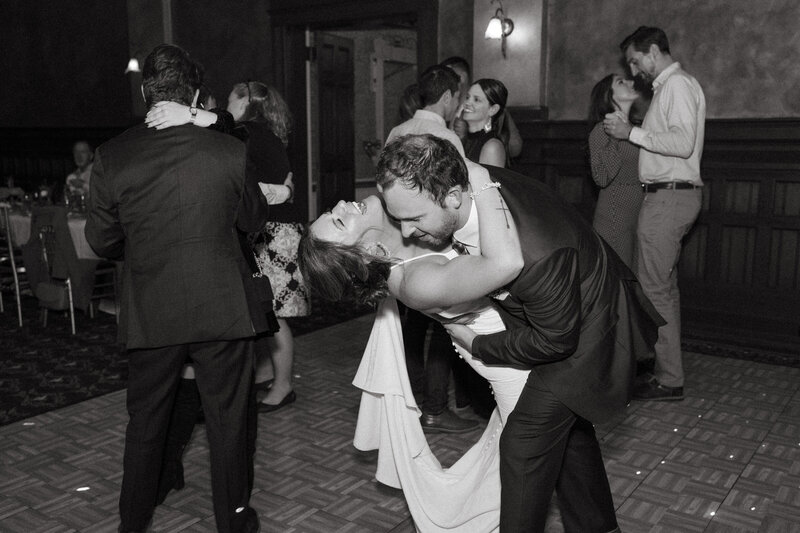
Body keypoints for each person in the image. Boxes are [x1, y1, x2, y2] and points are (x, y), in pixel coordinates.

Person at [377, 134, 662, 532]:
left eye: (415, 218)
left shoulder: (537, 251)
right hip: (558, 314)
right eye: (398, 219)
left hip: (587, 337)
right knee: (568, 435)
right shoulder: (467, 183)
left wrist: (478, 343)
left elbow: (555, 340)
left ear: (455, 197)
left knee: (523, 446)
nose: (406, 232)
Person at [298, 140, 527, 530]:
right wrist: (481, 177)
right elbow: (506, 262)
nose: (339, 206)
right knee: (524, 490)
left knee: (547, 476)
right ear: (361, 255)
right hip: (521, 379)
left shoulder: (409, 234)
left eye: (329, 211)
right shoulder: (416, 281)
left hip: (525, 354)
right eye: (338, 221)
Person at [85, 44, 266, 533]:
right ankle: (233, 523)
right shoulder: (230, 149)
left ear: (147, 93)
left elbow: (101, 240)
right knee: (229, 425)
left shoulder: (111, 155)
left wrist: (144, 250)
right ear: (198, 97)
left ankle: (132, 524)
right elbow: (253, 219)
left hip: (151, 307)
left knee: (146, 424)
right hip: (222, 306)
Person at [604, 26, 706, 401]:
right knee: (664, 289)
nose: (633, 72)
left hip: (669, 197)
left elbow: (680, 143)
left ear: (651, 51)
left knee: (654, 289)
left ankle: (669, 379)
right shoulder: (670, 87)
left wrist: (630, 132)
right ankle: (668, 372)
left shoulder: (677, 85)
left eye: (634, 60)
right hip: (670, 197)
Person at [384, 68, 477, 433]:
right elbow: (456, 194)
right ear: (449, 97)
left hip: (402, 239)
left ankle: (414, 399)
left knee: (410, 322)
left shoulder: (397, 131)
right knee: (443, 326)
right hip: (437, 240)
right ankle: (436, 407)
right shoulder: (445, 135)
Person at [588, 74, 643, 269]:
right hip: (614, 214)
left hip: (642, 211)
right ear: (609, 97)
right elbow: (602, 177)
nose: (631, 82)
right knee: (618, 277)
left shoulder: (639, 130)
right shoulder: (601, 131)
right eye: (621, 81)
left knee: (640, 278)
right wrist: (615, 137)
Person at [440, 56, 523, 159]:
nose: (442, 82)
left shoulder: (491, 107)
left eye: (447, 77)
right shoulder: (449, 106)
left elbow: (515, 148)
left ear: (462, 77)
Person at [461, 78, 510, 167]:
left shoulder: (492, 147)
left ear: (493, 109)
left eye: (476, 99)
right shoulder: (464, 140)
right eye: (467, 97)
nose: (467, 103)